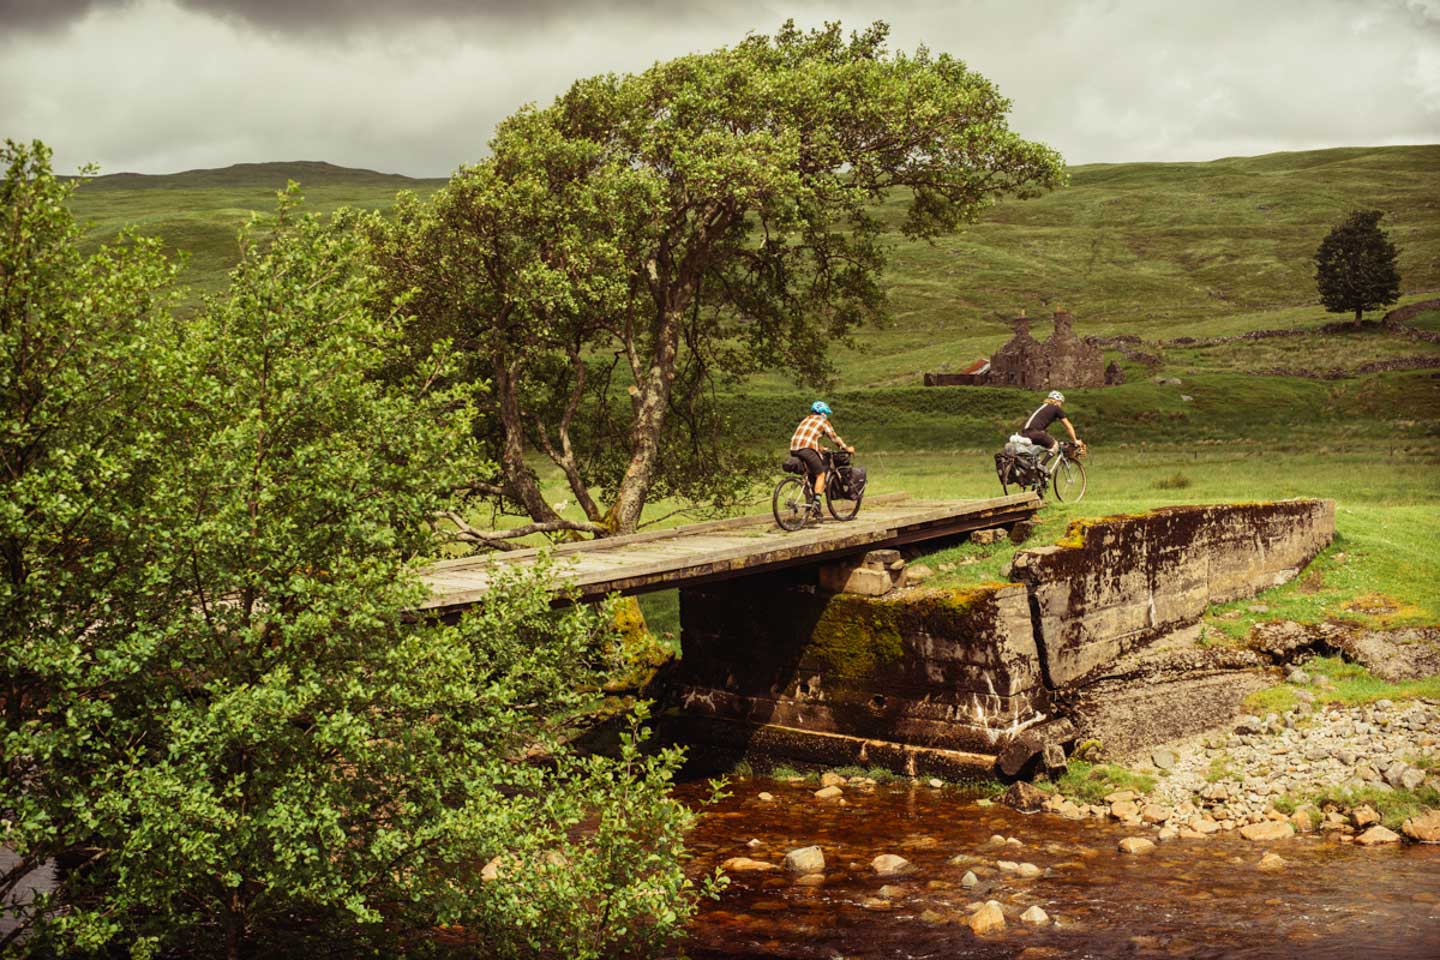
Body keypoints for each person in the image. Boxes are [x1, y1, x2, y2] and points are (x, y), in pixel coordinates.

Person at [790, 401, 854, 503]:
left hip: (794, 449)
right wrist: (846, 448)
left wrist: (819, 447)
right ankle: (816, 503)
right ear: (823, 413)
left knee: (810, 475)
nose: (827, 416)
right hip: (806, 450)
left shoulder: (806, 419)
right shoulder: (823, 421)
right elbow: (834, 438)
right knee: (821, 474)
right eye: (826, 414)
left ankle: (809, 500)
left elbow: (807, 437)